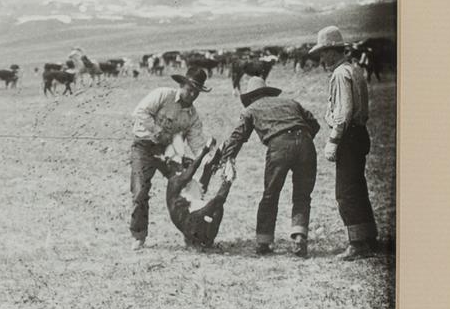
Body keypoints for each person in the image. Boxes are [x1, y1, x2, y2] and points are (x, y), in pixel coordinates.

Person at [220, 59, 322, 257]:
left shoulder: (250, 109)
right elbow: (314, 125)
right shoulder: (291, 102)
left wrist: (227, 157)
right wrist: (301, 140)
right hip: (306, 144)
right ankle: (300, 236)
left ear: (250, 97)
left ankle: (264, 242)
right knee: (302, 195)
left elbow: (237, 137)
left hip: (279, 147)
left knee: (270, 194)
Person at [315, 24, 378, 260]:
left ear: (332, 50)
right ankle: (369, 237)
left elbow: (344, 112)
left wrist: (333, 139)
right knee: (358, 188)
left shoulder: (341, 74)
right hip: (359, 133)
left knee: (346, 192)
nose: (321, 57)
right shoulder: (355, 70)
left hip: (348, 136)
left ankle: (357, 243)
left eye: (323, 52)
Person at [129, 64, 209, 245]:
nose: (193, 95)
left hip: (169, 152)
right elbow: (139, 112)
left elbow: (196, 142)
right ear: (182, 85)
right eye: (190, 89)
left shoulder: (192, 116)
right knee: (140, 190)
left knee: (188, 188)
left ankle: (191, 232)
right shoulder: (163, 95)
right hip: (144, 147)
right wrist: (155, 129)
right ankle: (138, 235)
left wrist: (206, 157)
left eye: (197, 92)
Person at [161, 140, 234, 250]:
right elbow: (191, 171)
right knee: (216, 202)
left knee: (217, 207)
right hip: (189, 224)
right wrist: (205, 150)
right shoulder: (174, 181)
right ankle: (228, 181)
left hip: (195, 222)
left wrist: (219, 153)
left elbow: (207, 170)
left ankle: (207, 241)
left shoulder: (192, 185)